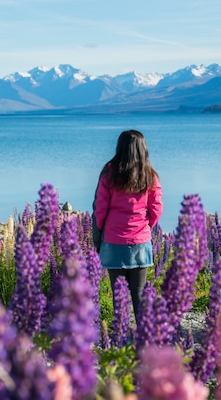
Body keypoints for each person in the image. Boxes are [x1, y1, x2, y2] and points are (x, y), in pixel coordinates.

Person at [93, 130, 163, 319]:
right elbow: (156, 209)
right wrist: (145, 226)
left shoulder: (109, 172)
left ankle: (119, 340)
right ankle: (142, 339)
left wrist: (99, 232)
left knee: (119, 296)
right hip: (140, 241)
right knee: (138, 294)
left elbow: (100, 208)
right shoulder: (150, 175)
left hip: (114, 240)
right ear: (143, 149)